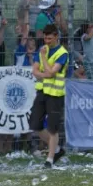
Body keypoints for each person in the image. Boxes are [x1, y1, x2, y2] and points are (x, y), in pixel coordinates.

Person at [30, 24, 68, 168]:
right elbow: (35, 70)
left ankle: (50, 159)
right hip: (42, 92)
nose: (47, 41)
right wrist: (45, 73)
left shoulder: (62, 53)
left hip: (55, 94)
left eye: (50, 38)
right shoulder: (41, 51)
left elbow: (52, 72)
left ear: (56, 36)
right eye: (45, 38)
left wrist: (45, 60)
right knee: (35, 125)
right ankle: (56, 149)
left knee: (53, 128)